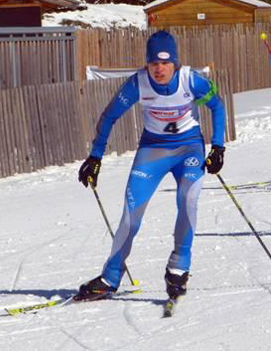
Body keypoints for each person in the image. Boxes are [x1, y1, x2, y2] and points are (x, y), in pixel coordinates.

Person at [76, 30, 226, 302]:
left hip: (189, 148)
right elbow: (109, 117)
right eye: (154, 63)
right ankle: (110, 278)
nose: (159, 69)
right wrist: (95, 157)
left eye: (165, 63)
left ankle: (179, 267)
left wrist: (218, 147)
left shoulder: (191, 80)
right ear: (147, 64)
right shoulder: (138, 84)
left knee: (188, 199)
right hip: (153, 150)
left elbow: (217, 106)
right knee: (131, 214)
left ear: (175, 63)